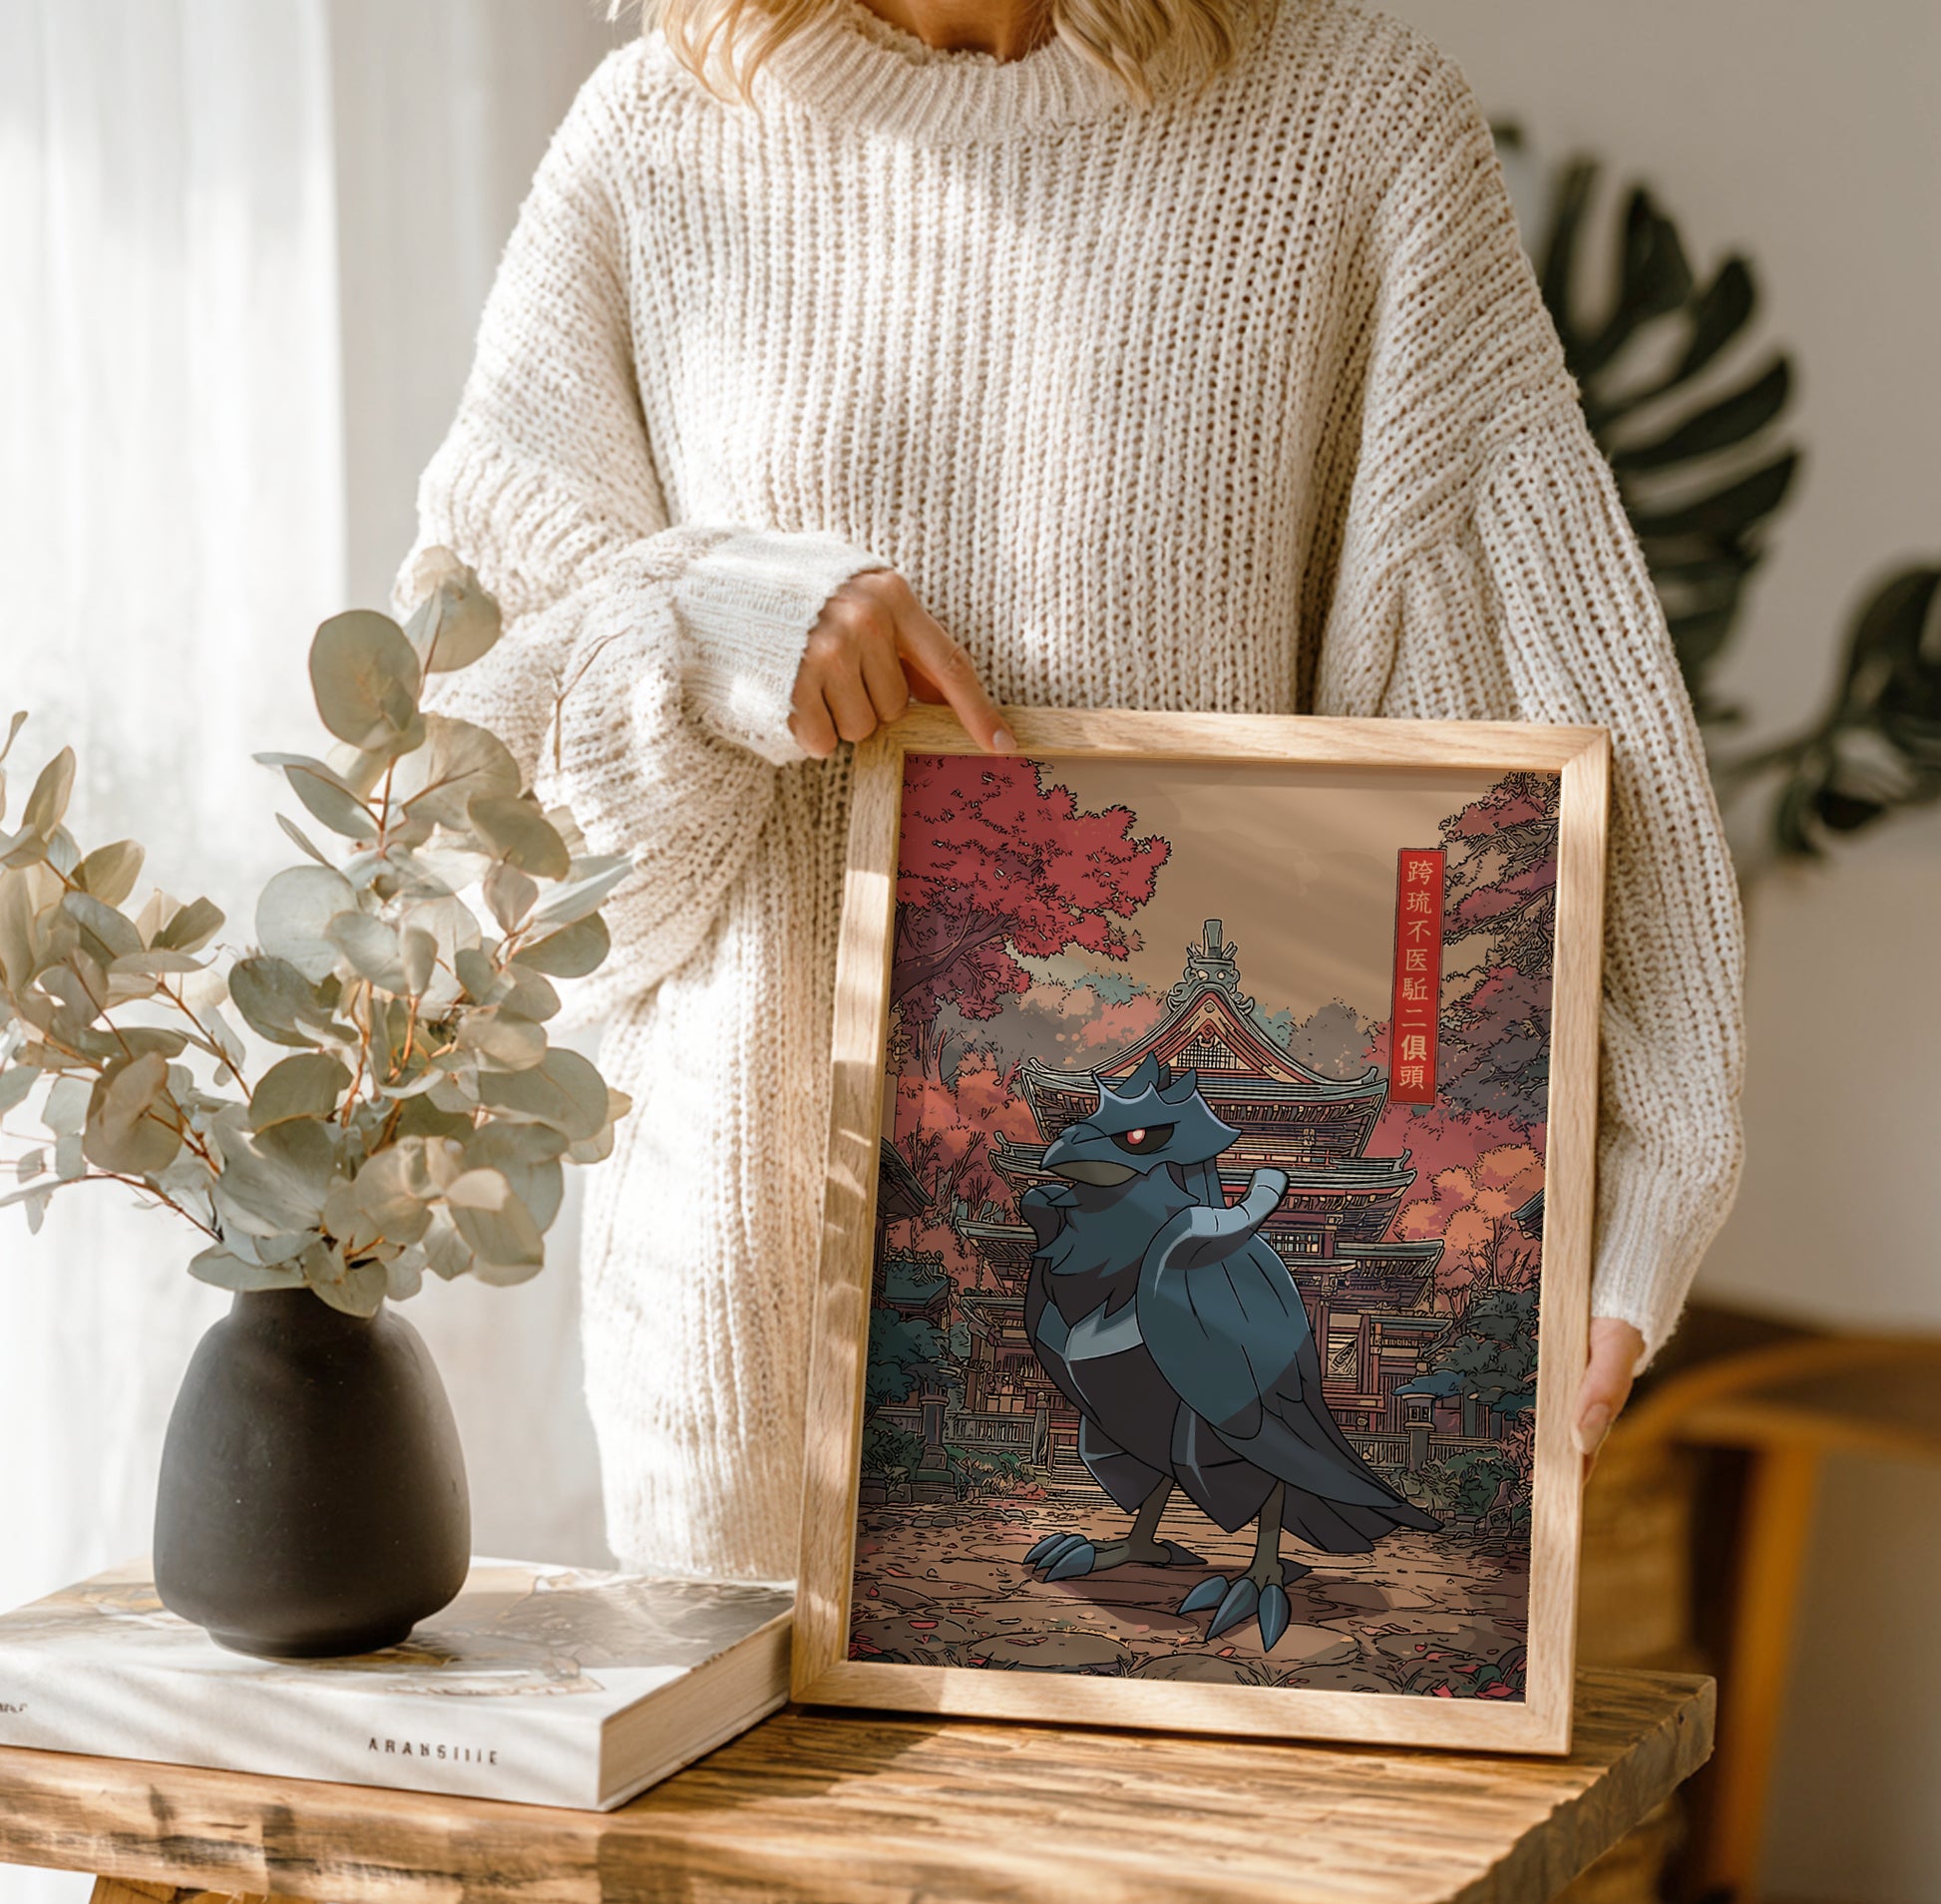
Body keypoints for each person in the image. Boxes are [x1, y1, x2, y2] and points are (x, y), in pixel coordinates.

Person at [395, 0, 1745, 1584]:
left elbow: (1527, 716)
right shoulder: (652, 141)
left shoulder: (1349, 128)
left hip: (1203, 1332)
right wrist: (708, 623)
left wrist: (1634, 1176)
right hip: (740, 1343)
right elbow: (469, 822)